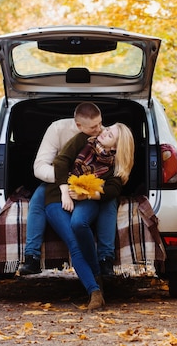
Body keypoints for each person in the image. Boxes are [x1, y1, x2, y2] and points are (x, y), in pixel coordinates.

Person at [18, 102, 118, 276]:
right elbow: (40, 167)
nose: (100, 129)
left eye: (100, 123)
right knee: (38, 197)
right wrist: (69, 182)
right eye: (94, 127)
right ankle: (32, 257)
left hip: (94, 181)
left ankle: (105, 259)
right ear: (79, 126)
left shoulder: (104, 134)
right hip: (62, 179)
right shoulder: (57, 129)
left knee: (109, 202)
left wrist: (91, 187)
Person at [44, 123, 135, 311]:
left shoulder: (113, 166)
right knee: (74, 244)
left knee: (79, 224)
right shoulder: (83, 140)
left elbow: (113, 190)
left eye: (110, 135)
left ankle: (97, 280)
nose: (105, 132)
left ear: (116, 147)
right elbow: (60, 162)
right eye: (107, 129)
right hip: (57, 198)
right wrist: (63, 191)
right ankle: (95, 290)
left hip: (86, 199)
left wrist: (86, 195)